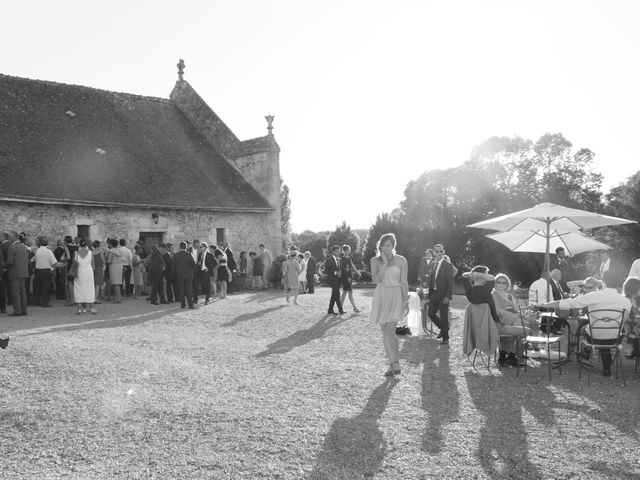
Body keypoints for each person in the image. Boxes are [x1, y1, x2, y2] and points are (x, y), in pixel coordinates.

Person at [536, 269, 631, 376]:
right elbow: (623, 321)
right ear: (619, 284)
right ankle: (606, 368)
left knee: (586, 329)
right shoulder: (627, 302)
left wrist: (542, 304)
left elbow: (568, 303)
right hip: (616, 339)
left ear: (603, 282)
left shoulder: (594, 296)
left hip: (594, 337)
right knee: (605, 333)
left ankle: (584, 352)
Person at [369, 233, 409, 376]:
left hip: (395, 295)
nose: (385, 248)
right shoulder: (375, 260)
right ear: (380, 246)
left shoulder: (401, 260)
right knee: (385, 333)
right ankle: (391, 364)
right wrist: (384, 264)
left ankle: (396, 362)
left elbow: (404, 282)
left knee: (391, 332)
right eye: (383, 245)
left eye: (388, 245)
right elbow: (376, 279)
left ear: (393, 246)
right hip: (381, 295)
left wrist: (406, 301)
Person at [490, 272, 532, 366]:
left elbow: (517, 311)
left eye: (503, 282)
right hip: (499, 319)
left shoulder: (510, 296)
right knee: (517, 323)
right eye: (499, 282)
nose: (501, 284)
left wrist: (527, 317)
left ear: (507, 284)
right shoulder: (492, 295)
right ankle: (510, 355)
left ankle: (507, 354)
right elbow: (497, 310)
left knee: (526, 324)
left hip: (512, 318)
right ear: (495, 283)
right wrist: (513, 315)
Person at [427, 243, 454, 345]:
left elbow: (451, 282)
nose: (439, 253)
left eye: (441, 251)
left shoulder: (448, 265)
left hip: (443, 295)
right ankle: (443, 329)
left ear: (444, 252)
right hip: (433, 293)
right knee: (430, 313)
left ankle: (445, 338)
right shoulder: (433, 264)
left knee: (443, 316)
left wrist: (448, 296)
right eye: (437, 251)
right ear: (434, 252)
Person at [3, 232, 30, 316]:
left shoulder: (12, 247)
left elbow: (10, 261)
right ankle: (24, 310)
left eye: (10, 237)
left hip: (15, 272)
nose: (9, 239)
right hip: (24, 272)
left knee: (15, 293)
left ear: (14, 237)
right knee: (23, 292)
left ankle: (17, 311)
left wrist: (3, 266)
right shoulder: (24, 247)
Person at [31, 236, 57, 307]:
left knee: (37, 287)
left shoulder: (37, 251)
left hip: (38, 270)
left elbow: (32, 260)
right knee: (45, 287)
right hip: (46, 271)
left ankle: (37, 301)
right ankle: (44, 303)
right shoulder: (49, 251)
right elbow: (54, 262)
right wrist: (54, 271)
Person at [73, 239, 96, 314]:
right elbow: (93, 265)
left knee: (78, 289)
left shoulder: (76, 253)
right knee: (89, 288)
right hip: (88, 272)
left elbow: (74, 264)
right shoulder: (90, 253)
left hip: (79, 271)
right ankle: (91, 308)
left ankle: (80, 308)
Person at [622, 276, 640, 359]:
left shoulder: (633, 299)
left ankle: (634, 350)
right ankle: (634, 350)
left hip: (632, 324)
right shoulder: (626, 300)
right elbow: (625, 317)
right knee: (636, 328)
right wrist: (635, 320)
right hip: (627, 325)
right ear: (634, 288)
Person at [339, 244, 360, 313]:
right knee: (348, 292)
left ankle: (341, 309)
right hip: (346, 277)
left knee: (346, 292)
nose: (349, 251)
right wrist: (348, 277)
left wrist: (357, 272)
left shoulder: (349, 258)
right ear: (344, 251)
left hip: (349, 277)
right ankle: (354, 308)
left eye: (349, 250)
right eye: (348, 250)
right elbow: (343, 269)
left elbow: (352, 266)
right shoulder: (342, 259)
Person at [325, 245, 345, 315]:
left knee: (334, 294)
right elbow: (326, 270)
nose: (338, 253)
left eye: (339, 251)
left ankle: (330, 310)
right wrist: (336, 273)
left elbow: (341, 269)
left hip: (338, 280)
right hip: (332, 280)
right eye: (337, 251)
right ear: (333, 252)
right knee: (337, 294)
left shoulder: (339, 259)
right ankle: (341, 310)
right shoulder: (329, 260)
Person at [105, 238, 125, 303]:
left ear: (111, 244)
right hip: (119, 267)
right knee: (118, 283)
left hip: (113, 267)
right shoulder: (119, 250)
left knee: (115, 284)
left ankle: (117, 299)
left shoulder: (111, 251)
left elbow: (108, 261)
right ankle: (119, 298)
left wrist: (105, 257)